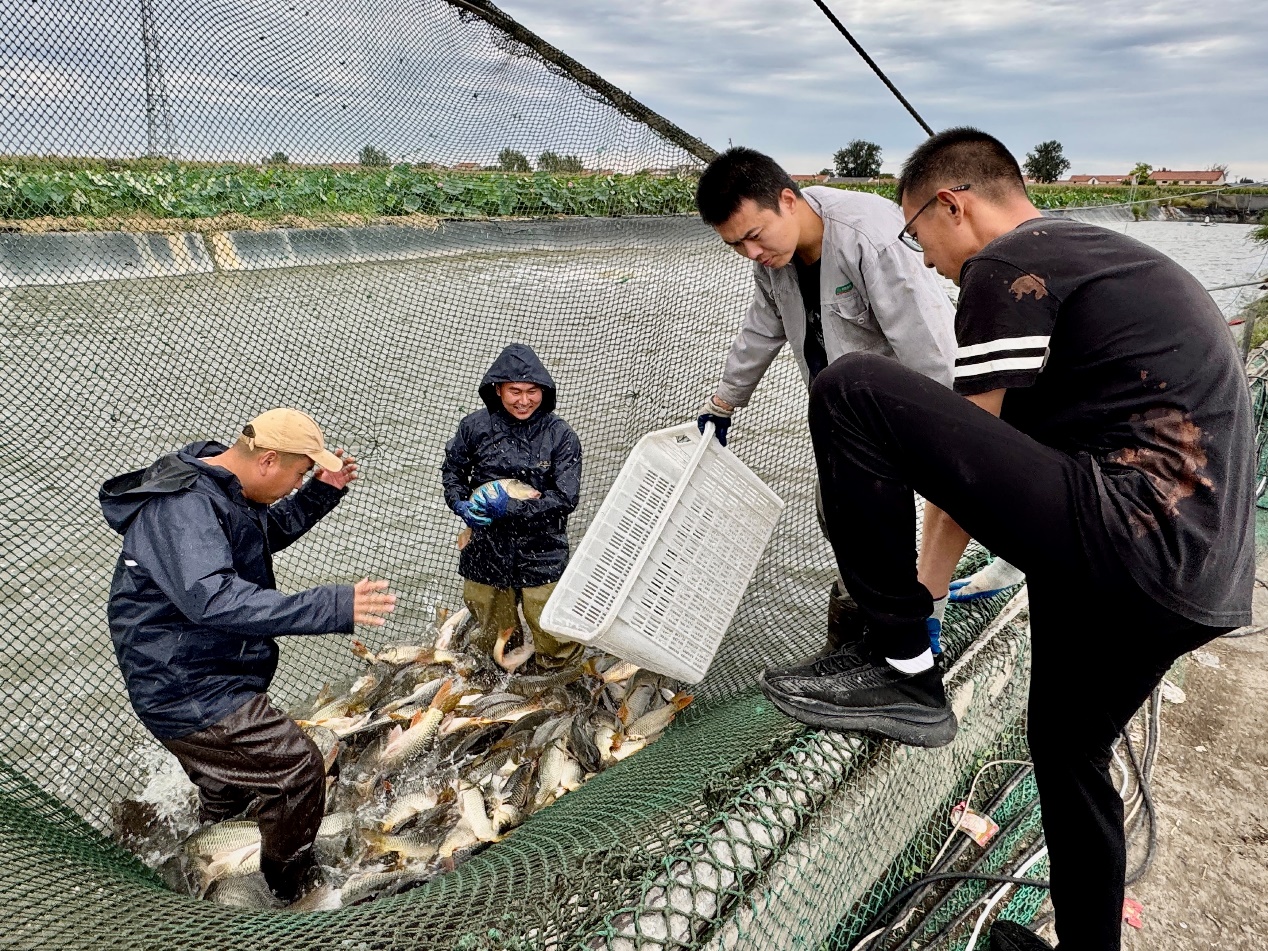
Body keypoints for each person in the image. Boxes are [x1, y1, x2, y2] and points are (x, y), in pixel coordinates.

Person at [759, 128, 1254, 951]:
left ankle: (900, 670)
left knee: (850, 388)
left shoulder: (1011, 261)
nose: (925, 264)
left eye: (918, 239)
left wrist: (917, 607)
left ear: (951, 204)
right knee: (1066, 752)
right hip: (1196, 577)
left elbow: (961, 468)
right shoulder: (1098, 253)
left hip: (1131, 530)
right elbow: (998, 460)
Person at [693, 146, 1020, 655]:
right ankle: (877, 630)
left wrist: (958, 436)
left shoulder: (870, 236)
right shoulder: (773, 261)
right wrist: (723, 403)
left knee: (966, 491)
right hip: (842, 417)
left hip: (907, 398)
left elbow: (931, 346)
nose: (751, 253)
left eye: (754, 236)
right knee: (841, 517)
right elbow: (762, 327)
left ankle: (993, 572)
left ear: (787, 199)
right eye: (737, 246)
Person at [101, 408, 397, 904]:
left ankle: (202, 870)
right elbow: (213, 598)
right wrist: (333, 604)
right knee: (298, 769)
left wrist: (320, 492)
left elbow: (254, 536)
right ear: (268, 461)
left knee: (231, 790)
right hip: (185, 687)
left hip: (208, 671)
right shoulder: (182, 506)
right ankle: (291, 890)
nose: (296, 483)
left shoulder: (221, 483)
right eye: (299, 474)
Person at [442, 343, 583, 668]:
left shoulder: (561, 435)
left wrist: (510, 510)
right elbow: (453, 472)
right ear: (497, 390)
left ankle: (559, 678)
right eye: (514, 391)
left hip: (542, 550)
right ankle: (501, 679)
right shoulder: (473, 427)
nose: (524, 400)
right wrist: (461, 504)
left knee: (555, 637)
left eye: (532, 391)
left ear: (544, 391)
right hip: (485, 549)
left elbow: (565, 499)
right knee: (493, 638)